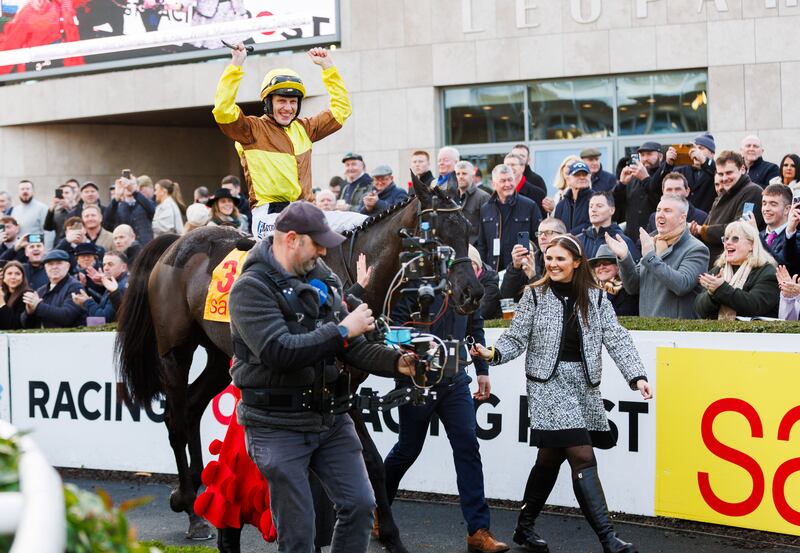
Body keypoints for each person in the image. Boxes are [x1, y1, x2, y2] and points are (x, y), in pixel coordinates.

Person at [228, 201, 417, 553]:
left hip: (330, 418)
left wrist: (398, 363)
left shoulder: (325, 278)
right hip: (276, 424)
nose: (324, 250)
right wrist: (343, 330)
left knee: (361, 505)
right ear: (291, 239)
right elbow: (279, 352)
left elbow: (352, 348)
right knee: (299, 534)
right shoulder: (249, 288)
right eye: (317, 243)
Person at [470, 234, 652, 553]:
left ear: (577, 263)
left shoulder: (596, 297)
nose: (553, 264)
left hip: (583, 386)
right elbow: (517, 337)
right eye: (549, 258)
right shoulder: (534, 295)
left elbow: (616, 337)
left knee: (550, 457)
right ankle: (608, 538)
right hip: (546, 385)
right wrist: (492, 353)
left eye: (560, 259)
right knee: (582, 454)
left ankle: (524, 528)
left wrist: (636, 376)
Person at [386, 250, 507, 553]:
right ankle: (379, 510)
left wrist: (482, 371)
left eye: (475, 269)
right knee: (407, 449)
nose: (471, 276)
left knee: (467, 446)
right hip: (418, 381)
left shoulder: (465, 293)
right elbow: (391, 332)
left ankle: (478, 531)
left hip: (456, 382)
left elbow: (474, 329)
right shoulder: (413, 288)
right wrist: (420, 348)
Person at [213, 43, 351, 238]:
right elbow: (223, 111)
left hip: (305, 212)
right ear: (268, 103)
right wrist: (236, 64)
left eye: (293, 102)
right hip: (269, 218)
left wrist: (328, 67)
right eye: (282, 101)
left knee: (363, 224)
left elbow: (341, 110)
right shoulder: (251, 130)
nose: (288, 107)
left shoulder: (305, 128)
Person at [608, 194, 710, 319]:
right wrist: (624, 258)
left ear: (682, 218)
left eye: (667, 211)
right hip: (649, 329)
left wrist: (651, 257)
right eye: (658, 210)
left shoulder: (697, 249)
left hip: (678, 333)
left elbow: (682, 285)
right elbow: (632, 287)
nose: (660, 215)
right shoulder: (654, 244)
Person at [691, 151, 764, 264]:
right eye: (721, 174)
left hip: (732, 265)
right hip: (713, 263)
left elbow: (741, 229)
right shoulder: (723, 194)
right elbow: (708, 225)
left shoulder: (752, 192)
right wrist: (696, 231)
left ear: (742, 169)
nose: (724, 178)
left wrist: (702, 230)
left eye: (729, 173)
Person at [694, 221, 778, 319]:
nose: (728, 243)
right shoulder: (718, 269)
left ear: (751, 244)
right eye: (726, 239)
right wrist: (711, 294)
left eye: (735, 239)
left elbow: (754, 306)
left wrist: (720, 288)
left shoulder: (767, 272)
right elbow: (699, 309)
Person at [476, 164, 542, 272]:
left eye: (510, 180)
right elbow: (482, 245)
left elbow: (538, 239)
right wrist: (484, 271)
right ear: (494, 184)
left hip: (522, 270)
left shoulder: (530, 206)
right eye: (503, 181)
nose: (508, 184)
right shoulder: (486, 209)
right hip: (494, 271)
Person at [500, 218, 568, 302]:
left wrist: (533, 277)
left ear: (562, 236)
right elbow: (507, 297)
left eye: (548, 232)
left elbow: (552, 303)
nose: (542, 237)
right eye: (539, 233)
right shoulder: (530, 260)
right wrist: (515, 268)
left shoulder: (568, 262)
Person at [614, 142, 665, 243]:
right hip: (633, 236)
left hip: (657, 237)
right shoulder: (633, 178)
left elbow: (660, 202)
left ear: (660, 156)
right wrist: (622, 184)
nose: (645, 158)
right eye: (642, 155)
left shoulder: (664, 175)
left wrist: (646, 179)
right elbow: (616, 205)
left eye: (649, 154)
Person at [21, 249, 84, 329]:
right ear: (45, 268)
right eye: (50, 264)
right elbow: (25, 324)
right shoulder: (41, 290)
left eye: (59, 263)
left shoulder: (75, 287)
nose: (54, 267)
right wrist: (29, 311)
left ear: (68, 266)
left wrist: (38, 306)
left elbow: (67, 317)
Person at [656, 133, 717, 213]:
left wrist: (703, 160)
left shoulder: (714, 169)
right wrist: (668, 164)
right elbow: (656, 187)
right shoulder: (680, 170)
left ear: (712, 154)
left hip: (707, 220)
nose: (696, 151)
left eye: (701, 148)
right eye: (693, 148)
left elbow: (718, 173)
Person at [579, 191, 640, 263]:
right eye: (591, 206)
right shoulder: (579, 240)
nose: (593, 210)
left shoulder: (622, 241)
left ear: (612, 210)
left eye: (599, 206)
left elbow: (634, 270)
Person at [72, 251, 129, 323]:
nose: (105, 268)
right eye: (104, 264)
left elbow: (104, 319)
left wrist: (87, 302)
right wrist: (102, 284)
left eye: (110, 264)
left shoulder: (120, 287)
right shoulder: (115, 281)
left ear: (123, 267)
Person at [104, 175, 156, 245]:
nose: (128, 188)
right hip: (126, 248)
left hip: (145, 247)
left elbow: (152, 210)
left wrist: (134, 192)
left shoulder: (145, 203)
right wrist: (116, 198)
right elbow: (107, 221)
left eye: (131, 185)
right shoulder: (117, 206)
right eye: (125, 186)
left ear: (137, 187)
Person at [589, 245, 638, 316]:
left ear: (618, 266)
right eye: (597, 265)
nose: (601, 267)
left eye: (606, 263)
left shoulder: (629, 290)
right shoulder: (591, 291)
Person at [454, 160, 490, 245]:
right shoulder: (450, 197)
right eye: (457, 174)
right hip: (456, 250)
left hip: (475, 249)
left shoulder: (483, 197)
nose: (460, 177)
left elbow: (488, 229)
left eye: (464, 173)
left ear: (472, 176)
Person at [554, 160, 593, 235]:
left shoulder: (596, 199)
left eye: (585, 174)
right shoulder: (561, 205)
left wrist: (570, 234)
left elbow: (593, 225)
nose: (582, 177)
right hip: (566, 245)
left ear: (589, 177)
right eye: (577, 174)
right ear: (568, 179)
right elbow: (557, 230)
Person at [756, 183, 791, 265]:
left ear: (787, 209)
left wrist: (756, 235)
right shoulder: (760, 234)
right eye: (764, 203)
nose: (766, 209)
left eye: (773, 204)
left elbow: (779, 264)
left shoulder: (794, 238)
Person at [468, 245, 501, 320]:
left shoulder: (490, 283)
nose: (468, 268)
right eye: (465, 265)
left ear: (478, 265)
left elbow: (482, 313)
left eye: (472, 263)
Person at [0, 261, 30, 330]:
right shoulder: (4, 294)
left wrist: (2, 304)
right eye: (9, 274)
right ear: (3, 277)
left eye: (17, 274)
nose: (13, 277)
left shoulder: (26, 296)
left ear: (23, 277)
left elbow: (13, 326)